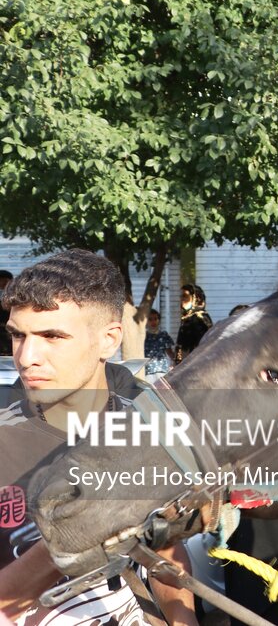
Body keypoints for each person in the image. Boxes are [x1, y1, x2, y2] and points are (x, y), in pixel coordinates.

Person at [0, 250, 197, 625]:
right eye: (17, 336)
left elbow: (166, 549)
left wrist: (183, 620)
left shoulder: (147, 429)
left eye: (52, 336)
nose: (26, 357)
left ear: (109, 340)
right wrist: (78, 533)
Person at [175, 283, 211, 360]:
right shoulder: (188, 318)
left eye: (185, 296)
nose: (181, 299)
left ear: (196, 298)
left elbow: (204, 345)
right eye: (181, 296)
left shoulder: (200, 318)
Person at [143, 307, 175, 375]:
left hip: (162, 369)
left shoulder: (163, 335)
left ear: (159, 320)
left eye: (155, 319)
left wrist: (175, 363)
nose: (153, 322)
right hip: (148, 370)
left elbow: (170, 352)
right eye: (150, 319)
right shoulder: (143, 336)